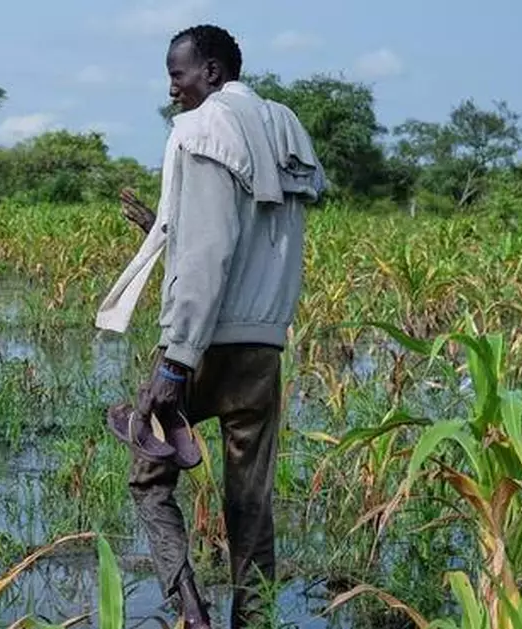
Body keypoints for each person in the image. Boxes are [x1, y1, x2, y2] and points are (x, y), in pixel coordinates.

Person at [96, 24, 327, 628]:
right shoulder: (282, 128)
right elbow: (249, 235)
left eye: (179, 74)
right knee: (251, 502)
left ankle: (192, 612)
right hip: (263, 348)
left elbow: (209, 252)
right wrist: (160, 224)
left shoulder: (200, 130)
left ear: (213, 72)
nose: (172, 89)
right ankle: (252, 621)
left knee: (148, 476)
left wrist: (175, 362)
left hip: (203, 345)